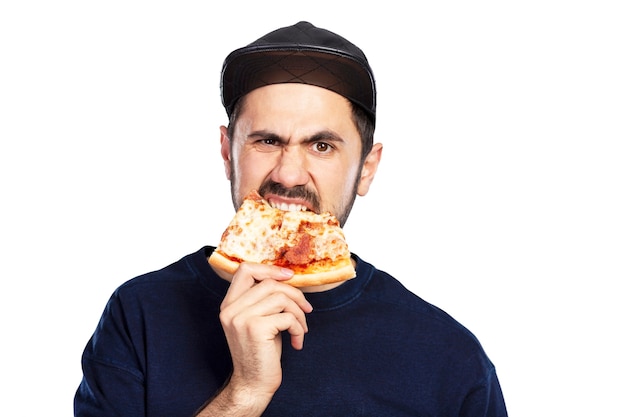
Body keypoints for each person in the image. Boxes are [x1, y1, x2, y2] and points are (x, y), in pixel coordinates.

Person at [74, 21, 508, 416]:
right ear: (228, 153)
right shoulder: (139, 315)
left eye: (322, 146)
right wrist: (244, 393)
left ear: (367, 168)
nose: (288, 174)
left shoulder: (450, 358)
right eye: (266, 140)